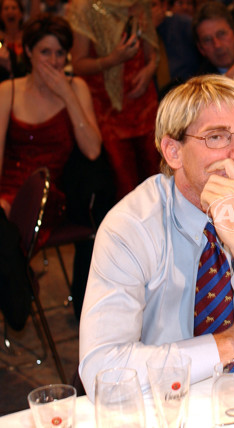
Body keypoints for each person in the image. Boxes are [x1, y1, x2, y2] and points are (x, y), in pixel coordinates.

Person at [78, 74, 234, 399]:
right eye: (217, 137)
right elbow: (104, 376)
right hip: (167, 404)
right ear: (173, 152)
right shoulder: (131, 227)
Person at [0, 14, 102, 317]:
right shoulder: (9, 90)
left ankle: (16, 294)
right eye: (46, 52)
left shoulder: (77, 87)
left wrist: (67, 96)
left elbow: (93, 150)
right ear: (29, 52)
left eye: (60, 53)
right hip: (7, 192)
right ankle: (19, 284)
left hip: (48, 197)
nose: (54, 61)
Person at [67, 0, 162, 201]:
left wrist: (150, 69)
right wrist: (113, 59)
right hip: (108, 107)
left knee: (159, 178)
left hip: (144, 103)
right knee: (125, 186)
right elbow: (78, 64)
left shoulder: (139, 3)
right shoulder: (84, 7)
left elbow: (151, 51)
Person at [151, 0, 202, 94]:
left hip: (189, 93)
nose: (148, 11)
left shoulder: (185, 25)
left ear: (164, 6)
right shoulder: (136, 36)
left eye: (152, 5)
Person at [0, 0, 27, 81]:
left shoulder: (28, 36)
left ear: (21, 14)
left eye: (14, 8)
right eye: (6, 8)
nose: (10, 11)